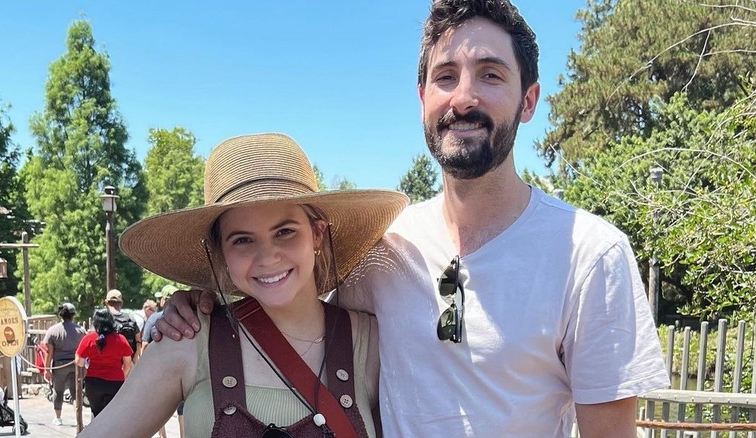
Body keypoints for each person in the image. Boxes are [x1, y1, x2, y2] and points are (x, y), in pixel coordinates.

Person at [155, 1, 671, 436]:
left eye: (490, 75)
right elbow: (299, 320)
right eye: (445, 76)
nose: (463, 97)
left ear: (529, 100)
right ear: (423, 98)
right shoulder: (384, 250)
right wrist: (196, 308)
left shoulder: (589, 255)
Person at [76, 133, 407, 438]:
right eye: (243, 240)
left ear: (317, 234)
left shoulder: (372, 344)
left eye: (285, 231)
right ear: (221, 252)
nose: (267, 257)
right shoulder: (187, 340)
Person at [75, 308, 133, 417]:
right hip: (115, 382)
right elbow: (128, 364)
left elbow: (79, 362)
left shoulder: (89, 339)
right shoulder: (121, 340)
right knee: (113, 415)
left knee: (96, 413)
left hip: (93, 382)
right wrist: (122, 376)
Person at [142, 285, 184, 438]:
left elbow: (145, 343)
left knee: (160, 406)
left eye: (161, 298)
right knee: (182, 409)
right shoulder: (188, 317)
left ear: (165, 299)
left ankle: (163, 436)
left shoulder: (155, 318)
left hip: (159, 370)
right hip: (183, 368)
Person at [42, 302, 86, 426]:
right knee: (76, 392)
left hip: (59, 365)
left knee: (58, 391)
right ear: (73, 315)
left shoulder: (53, 331)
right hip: (76, 364)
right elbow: (85, 351)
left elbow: (49, 353)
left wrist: (47, 369)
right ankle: (78, 418)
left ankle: (58, 417)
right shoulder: (80, 331)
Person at [104, 289, 141, 363]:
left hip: (108, 364)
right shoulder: (130, 319)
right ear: (121, 303)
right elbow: (138, 341)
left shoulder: (102, 319)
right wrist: (134, 359)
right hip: (127, 364)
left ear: (106, 302)